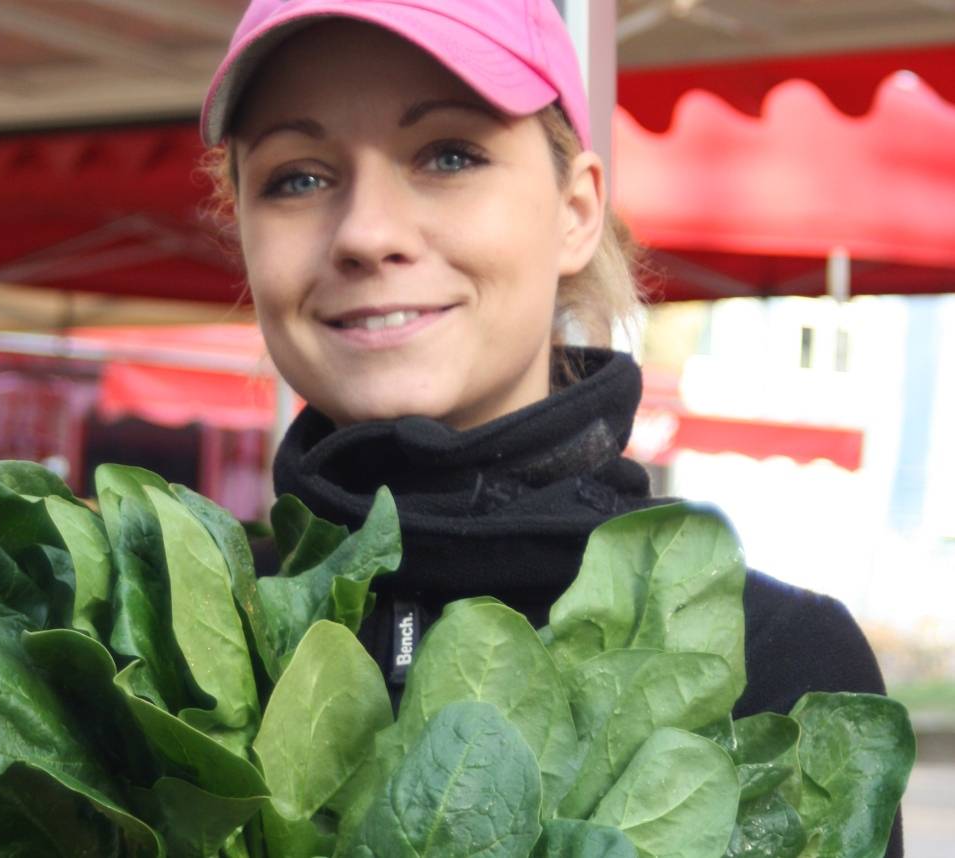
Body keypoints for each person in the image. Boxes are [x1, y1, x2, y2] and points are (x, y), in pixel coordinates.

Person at [200, 1, 901, 854]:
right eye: (296, 177)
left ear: (576, 212)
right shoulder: (149, 644)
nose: (365, 233)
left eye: (448, 155)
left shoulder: (785, 669)